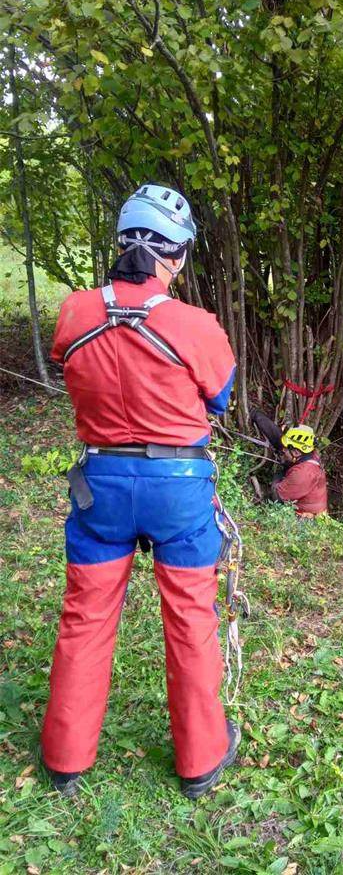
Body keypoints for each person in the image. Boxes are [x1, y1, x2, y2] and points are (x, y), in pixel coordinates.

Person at [41, 184, 241, 799]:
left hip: (101, 484)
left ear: (122, 242)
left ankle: (66, 758)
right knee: (190, 617)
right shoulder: (192, 323)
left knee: (86, 616)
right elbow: (220, 399)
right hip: (177, 486)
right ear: (174, 255)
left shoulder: (75, 312)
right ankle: (201, 761)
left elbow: (67, 366)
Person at [249, 408, 328, 516]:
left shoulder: (304, 473)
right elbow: (278, 439)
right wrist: (256, 415)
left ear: (296, 452)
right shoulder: (307, 453)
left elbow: (277, 497)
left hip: (305, 520)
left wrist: (279, 475)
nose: (283, 450)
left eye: (286, 448)